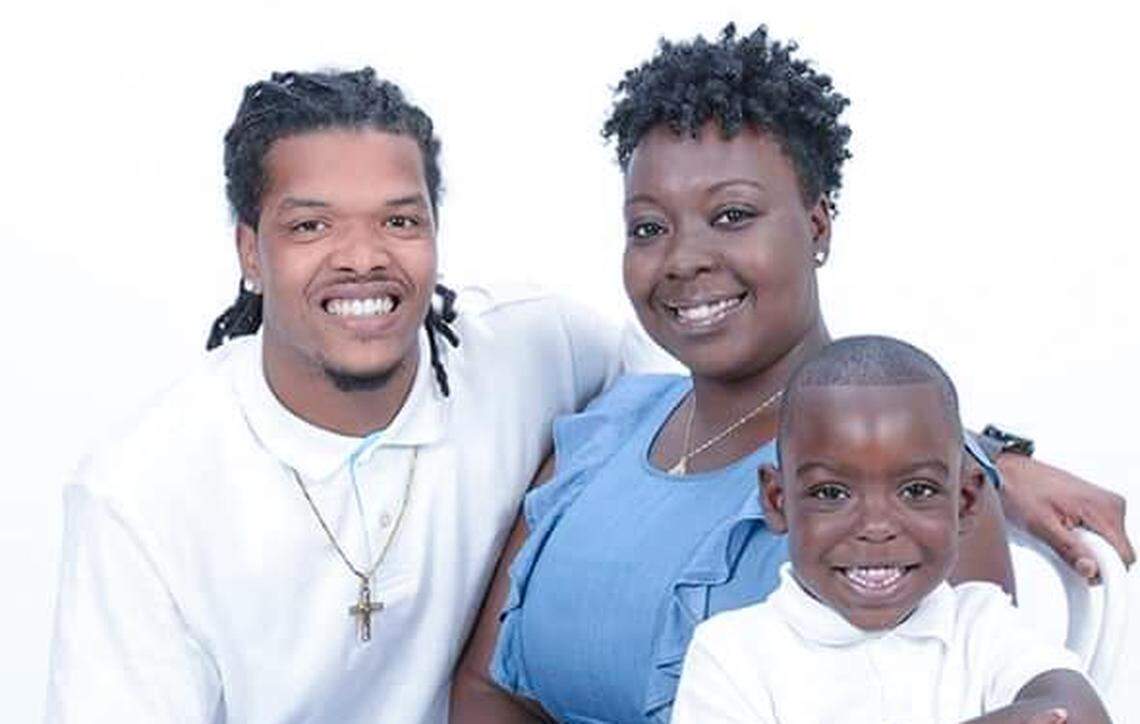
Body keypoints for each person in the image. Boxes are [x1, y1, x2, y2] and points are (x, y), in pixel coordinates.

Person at [450, 24, 1133, 723]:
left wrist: (988, 454)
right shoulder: (603, 433)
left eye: (732, 215)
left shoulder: (904, 485)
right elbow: (485, 690)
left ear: (817, 225)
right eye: (649, 228)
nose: (683, 259)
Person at [45, 68, 619, 723]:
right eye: (311, 226)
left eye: (400, 220)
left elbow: (680, 405)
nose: (362, 257)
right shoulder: (140, 492)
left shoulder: (539, 349)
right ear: (250, 253)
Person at [671, 335, 1110, 724]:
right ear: (777, 500)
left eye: (917, 490)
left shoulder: (982, 624)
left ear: (965, 502)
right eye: (831, 493)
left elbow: (1080, 715)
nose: (876, 527)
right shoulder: (732, 654)